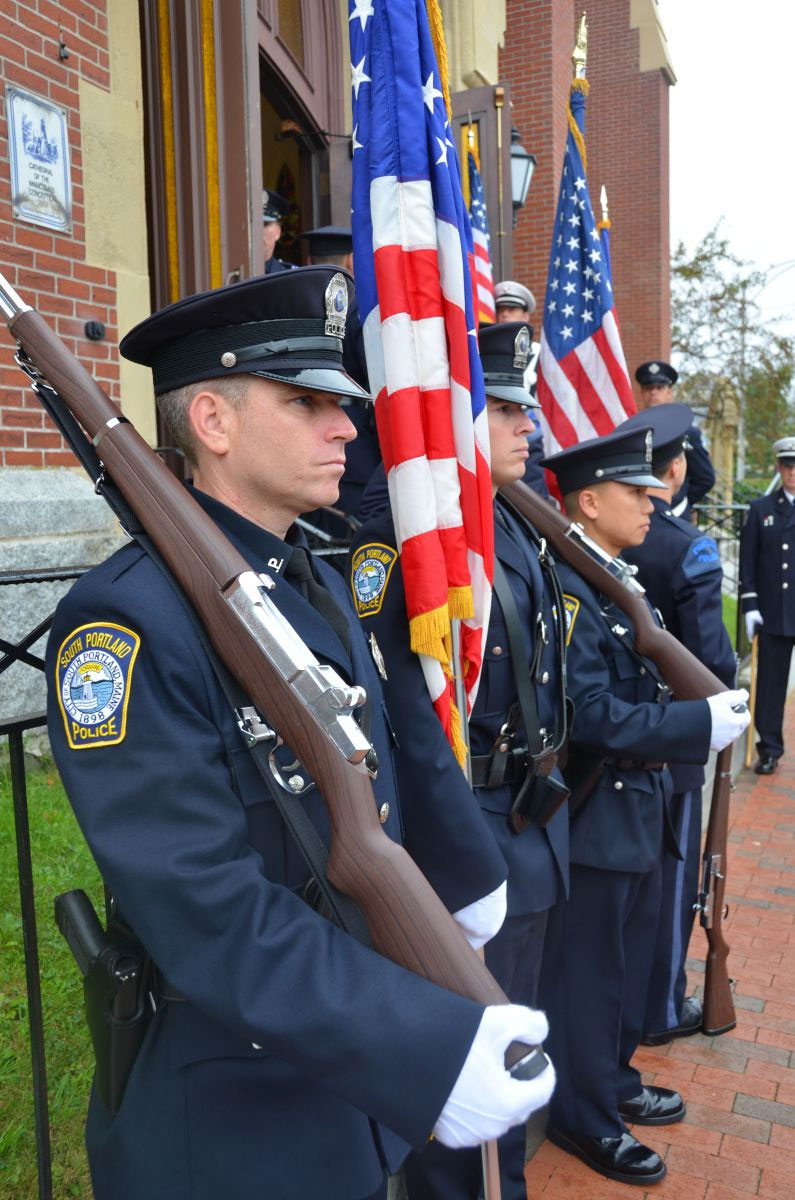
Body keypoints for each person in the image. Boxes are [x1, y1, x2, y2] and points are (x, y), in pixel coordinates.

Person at [45, 268, 555, 1200]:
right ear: (212, 422)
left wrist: (461, 887)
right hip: (234, 1117)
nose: (348, 429)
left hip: (334, 1088)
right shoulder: (126, 624)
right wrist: (419, 1048)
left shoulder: (306, 581)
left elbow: (378, 781)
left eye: (343, 404)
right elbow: (208, 912)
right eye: (309, 404)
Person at [350, 321, 569, 1200]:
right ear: (450, 413)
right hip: (465, 831)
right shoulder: (405, 532)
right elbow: (404, 704)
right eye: (505, 407)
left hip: (522, 816)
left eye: (525, 409)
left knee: (509, 1053)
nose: (528, 427)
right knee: (472, 1062)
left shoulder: (507, 520)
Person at [536, 425, 749, 1187]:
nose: (652, 507)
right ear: (587, 502)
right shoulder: (569, 588)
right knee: (590, 976)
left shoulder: (611, 578)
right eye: (635, 494)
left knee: (626, 969)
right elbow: (588, 712)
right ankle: (583, 1113)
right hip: (598, 810)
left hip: (638, 802)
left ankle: (614, 1080)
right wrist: (696, 724)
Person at [619, 403, 736, 1047]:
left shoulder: (604, 539)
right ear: (679, 464)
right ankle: (661, 1007)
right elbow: (710, 661)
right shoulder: (686, 545)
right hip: (678, 741)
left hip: (618, 736)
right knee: (669, 889)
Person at [740, 435, 795, 774]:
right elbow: (748, 563)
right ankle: (770, 748)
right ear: (779, 467)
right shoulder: (760, 510)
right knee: (771, 686)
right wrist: (749, 605)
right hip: (775, 611)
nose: (792, 473)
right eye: (787, 466)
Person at [634, 360, 715, 518]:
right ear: (642, 392)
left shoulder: (687, 432)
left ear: (669, 392)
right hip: (638, 513)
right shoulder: (633, 431)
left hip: (674, 513)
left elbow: (705, 478)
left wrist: (681, 501)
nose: (653, 392)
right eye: (648, 388)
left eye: (659, 387)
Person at [493, 281, 547, 498]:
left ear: (526, 316)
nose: (504, 315)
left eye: (512, 309)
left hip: (530, 441)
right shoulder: (488, 353)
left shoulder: (541, 355)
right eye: (500, 310)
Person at [261, 188, 296, 275]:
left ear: (278, 232)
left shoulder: (290, 276)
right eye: (254, 225)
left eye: (265, 224)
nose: (259, 231)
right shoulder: (234, 276)